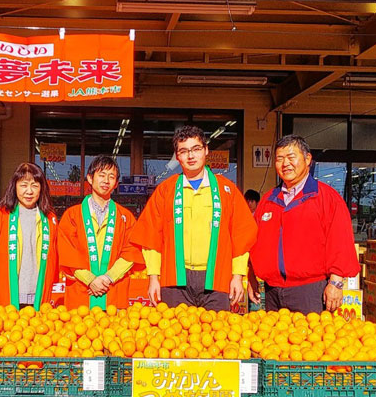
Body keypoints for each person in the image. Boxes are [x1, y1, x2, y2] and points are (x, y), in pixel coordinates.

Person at [130, 125, 258, 311]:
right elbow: (151, 238)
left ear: (206, 150)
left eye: (196, 149)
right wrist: (153, 277)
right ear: (177, 156)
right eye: (183, 151)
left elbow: (242, 235)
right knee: (174, 338)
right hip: (174, 280)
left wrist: (238, 276)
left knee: (215, 336)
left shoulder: (226, 190)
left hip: (216, 279)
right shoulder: (166, 190)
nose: (190, 156)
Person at [248, 135, 360, 314]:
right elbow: (253, 241)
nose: (285, 164)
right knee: (273, 341)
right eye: (279, 158)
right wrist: (251, 275)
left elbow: (340, 241)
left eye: (291, 157)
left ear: (308, 159)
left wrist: (336, 283)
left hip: (311, 291)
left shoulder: (326, 198)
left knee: (311, 340)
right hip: (272, 291)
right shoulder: (268, 200)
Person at [0, 163, 59, 310]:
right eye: (24, 185)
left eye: (35, 186)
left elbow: (57, 257)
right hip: (7, 293)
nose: (29, 191)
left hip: (40, 293)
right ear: (15, 187)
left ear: (42, 188)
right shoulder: (0, 216)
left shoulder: (50, 219)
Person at [58, 156, 142, 309]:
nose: (106, 181)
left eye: (112, 177)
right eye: (101, 175)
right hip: (82, 293)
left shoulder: (126, 217)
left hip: (113, 292)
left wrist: (108, 278)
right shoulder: (72, 215)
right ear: (90, 178)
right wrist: (90, 280)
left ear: (116, 184)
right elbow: (67, 252)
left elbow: (131, 252)